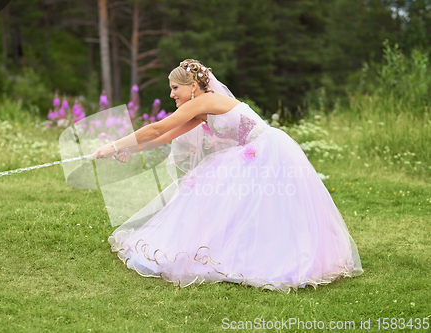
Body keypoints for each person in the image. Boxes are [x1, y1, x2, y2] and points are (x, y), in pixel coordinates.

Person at [92, 59, 363, 291]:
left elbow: (156, 127)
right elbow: (163, 136)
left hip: (266, 151)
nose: (172, 94)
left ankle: (275, 260)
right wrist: (128, 148)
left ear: (193, 86)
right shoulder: (202, 110)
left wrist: (114, 144)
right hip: (251, 153)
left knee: (254, 205)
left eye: (175, 88)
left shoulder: (205, 101)